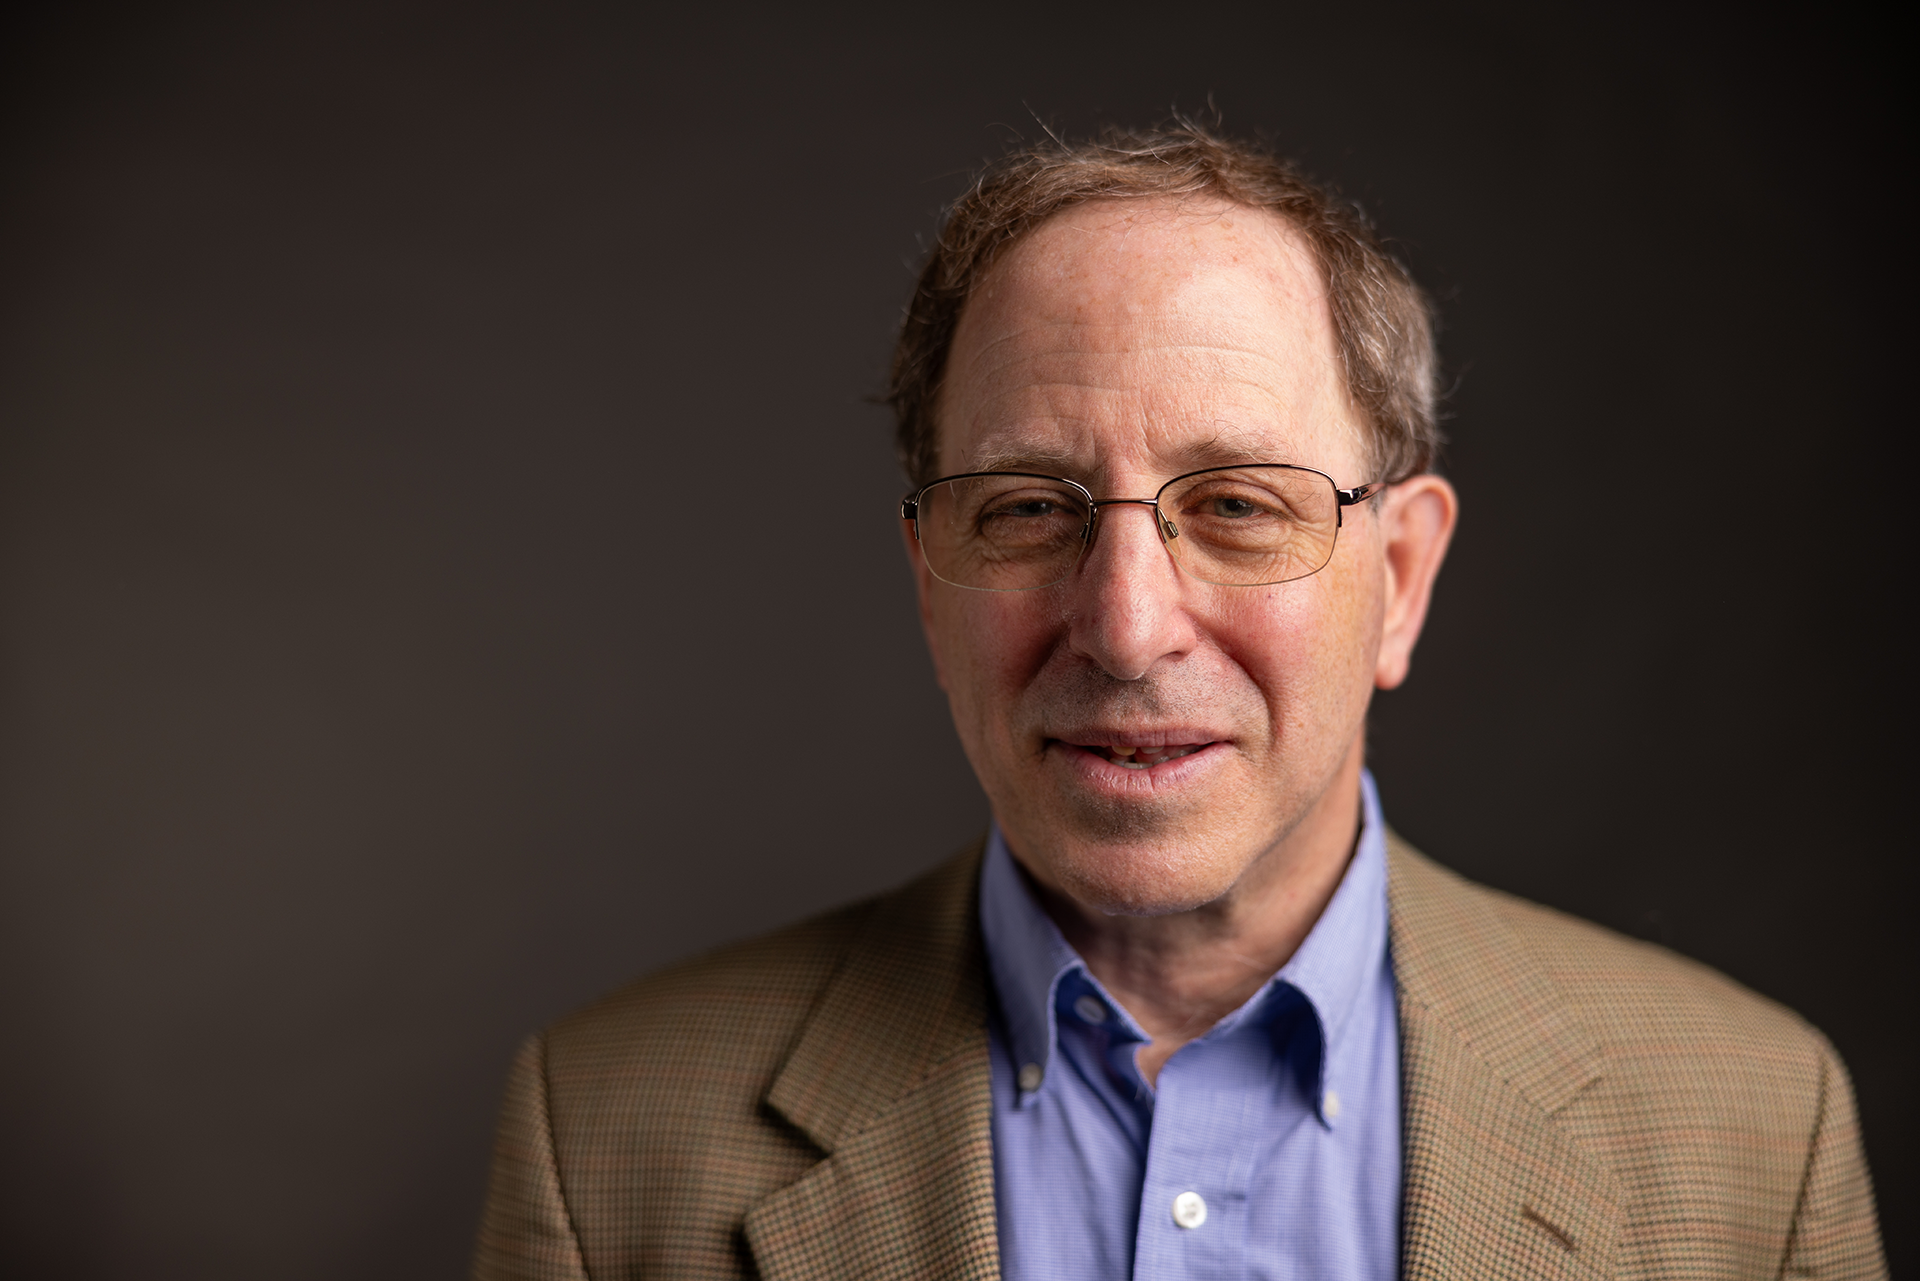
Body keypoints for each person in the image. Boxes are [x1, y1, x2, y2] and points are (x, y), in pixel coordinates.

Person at [470, 124, 1885, 1280]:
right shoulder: (606, 1145)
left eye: (1237, 506)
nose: (1129, 625)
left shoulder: (1754, 1134)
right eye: (1028, 508)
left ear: (1399, 578)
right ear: (926, 582)